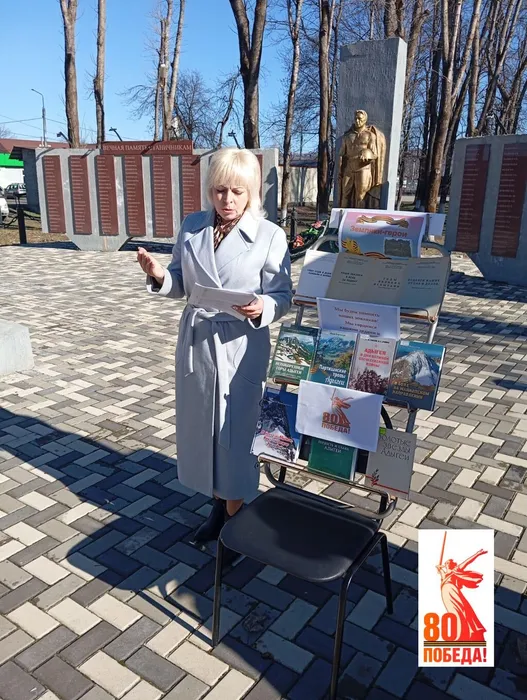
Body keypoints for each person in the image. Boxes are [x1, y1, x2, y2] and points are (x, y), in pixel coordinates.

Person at [136, 148, 293, 563]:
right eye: (220, 190)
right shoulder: (192, 226)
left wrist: (262, 307)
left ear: (251, 192)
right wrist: (158, 275)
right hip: (198, 342)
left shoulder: (269, 235)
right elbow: (180, 282)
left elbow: (283, 295)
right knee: (205, 430)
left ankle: (236, 521)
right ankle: (218, 507)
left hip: (241, 345)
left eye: (237, 191)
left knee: (235, 434)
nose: (227, 199)